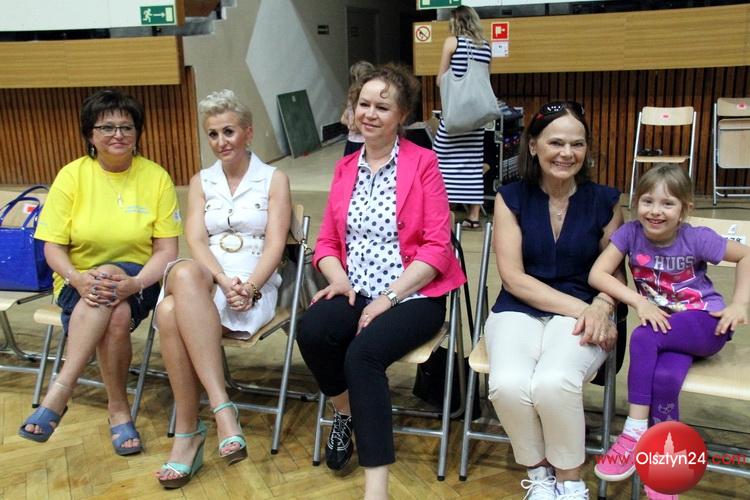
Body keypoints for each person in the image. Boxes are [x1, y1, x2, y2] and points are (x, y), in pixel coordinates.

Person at [296, 64, 466, 500]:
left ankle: (377, 488)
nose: (369, 114)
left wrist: (389, 298)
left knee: (362, 355)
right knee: (312, 330)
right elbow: (327, 242)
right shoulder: (345, 168)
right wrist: (337, 279)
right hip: (356, 287)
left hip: (414, 294)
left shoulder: (423, 163)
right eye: (363, 104)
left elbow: (437, 248)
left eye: (382, 107)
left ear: (402, 115)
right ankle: (345, 413)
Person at [19, 89, 181, 455]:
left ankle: (60, 391)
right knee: (116, 313)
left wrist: (135, 283)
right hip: (76, 280)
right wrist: (77, 278)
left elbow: (167, 252)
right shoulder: (72, 175)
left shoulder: (156, 177)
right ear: (89, 135)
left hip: (140, 279)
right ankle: (118, 410)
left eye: (126, 126)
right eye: (106, 127)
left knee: (111, 282)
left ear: (138, 132)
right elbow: (52, 248)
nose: (118, 134)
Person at [484, 101, 624, 499]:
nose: (567, 153)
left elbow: (615, 272)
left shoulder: (606, 201)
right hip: (522, 307)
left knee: (553, 382)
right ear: (533, 146)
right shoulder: (510, 197)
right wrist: (586, 309)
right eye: (556, 142)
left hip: (589, 308)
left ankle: (570, 481)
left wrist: (603, 305)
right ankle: (540, 475)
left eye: (577, 144)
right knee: (508, 384)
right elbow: (513, 278)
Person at [154, 89, 291, 488]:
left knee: (168, 312)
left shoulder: (273, 179)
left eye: (228, 131)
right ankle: (221, 407)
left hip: (253, 279)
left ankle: (187, 435)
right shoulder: (201, 181)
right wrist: (220, 278)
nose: (220, 141)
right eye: (212, 134)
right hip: (209, 276)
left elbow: (276, 244)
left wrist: (249, 286)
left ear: (248, 132)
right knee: (185, 275)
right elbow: (196, 239)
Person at [589, 164, 750, 500]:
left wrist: (739, 304)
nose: (655, 211)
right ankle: (664, 469)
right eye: (647, 201)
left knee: (642, 336)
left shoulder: (696, 237)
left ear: (685, 209)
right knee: (663, 379)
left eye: (667, 203)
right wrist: (639, 301)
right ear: (636, 202)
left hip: (705, 324)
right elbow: (598, 274)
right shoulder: (630, 234)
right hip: (668, 330)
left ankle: (634, 433)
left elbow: (746, 256)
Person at [433, 5, 492, 230]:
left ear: (455, 23)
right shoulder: (486, 46)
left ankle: (444, 211)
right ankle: (474, 216)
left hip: (456, 115)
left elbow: (441, 79)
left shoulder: (452, 42)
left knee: (440, 160)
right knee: (472, 163)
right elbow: (484, 79)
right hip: (476, 117)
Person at [341, 60, 375, 157]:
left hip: (359, 141)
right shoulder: (355, 95)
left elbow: (345, 119)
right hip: (359, 141)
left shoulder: (355, 95)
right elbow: (346, 120)